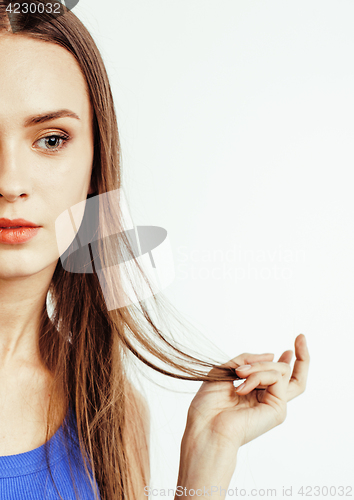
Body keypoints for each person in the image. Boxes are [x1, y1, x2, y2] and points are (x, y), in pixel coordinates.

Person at [0, 2, 310, 499]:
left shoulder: (109, 413)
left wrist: (205, 468)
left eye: (51, 139)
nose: (11, 181)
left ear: (95, 162)